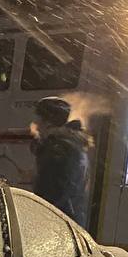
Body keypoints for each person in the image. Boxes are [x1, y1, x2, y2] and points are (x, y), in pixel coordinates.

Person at [31, 96, 92, 227]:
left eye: (39, 120)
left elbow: (48, 195)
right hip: (71, 221)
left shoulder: (57, 150)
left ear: (47, 122)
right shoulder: (73, 145)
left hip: (56, 224)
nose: (35, 125)